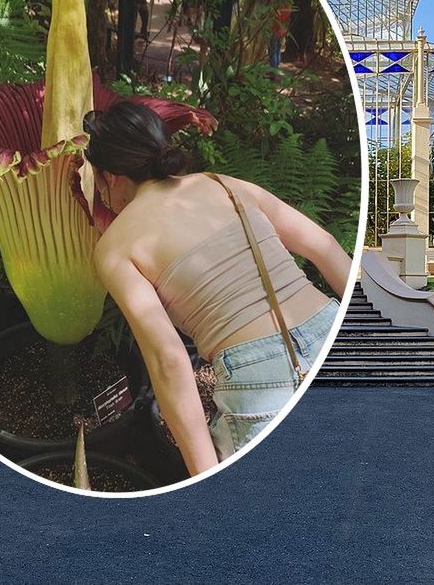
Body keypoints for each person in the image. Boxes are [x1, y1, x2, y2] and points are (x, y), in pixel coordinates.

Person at [83, 101, 352, 477]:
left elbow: (170, 361)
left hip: (259, 378)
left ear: (109, 177)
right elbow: (324, 246)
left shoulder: (115, 247)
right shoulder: (223, 185)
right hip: (330, 325)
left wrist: (203, 476)